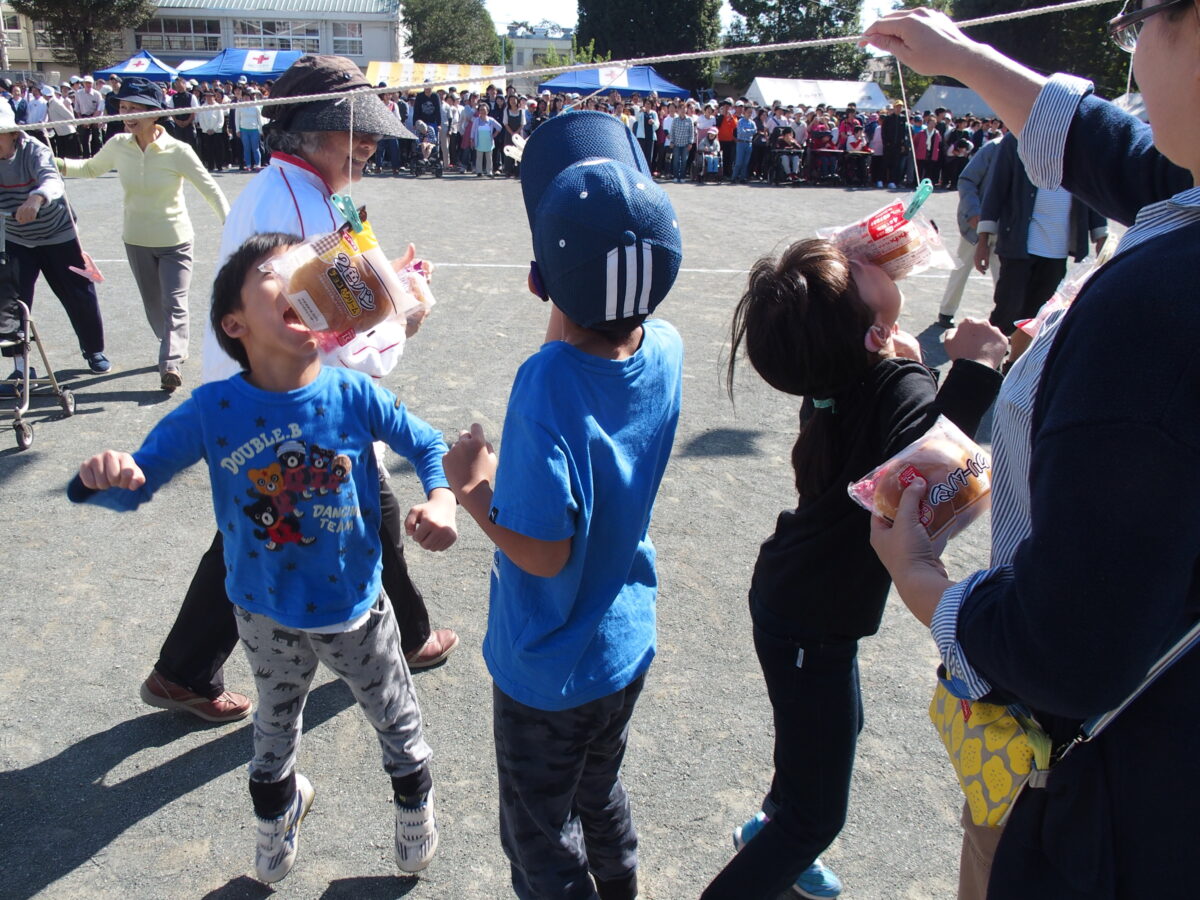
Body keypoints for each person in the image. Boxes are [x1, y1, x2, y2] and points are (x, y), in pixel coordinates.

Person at [863, 7, 1198, 900]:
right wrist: (962, 57)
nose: (1134, 42)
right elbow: (1122, 155)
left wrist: (922, 581)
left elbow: (1064, 642)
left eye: (1140, 19)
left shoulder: (1157, 310)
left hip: (1120, 802)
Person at [69, 230, 454, 885]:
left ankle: (413, 804)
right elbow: (142, 473)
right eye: (278, 273)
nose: (302, 280)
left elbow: (425, 443)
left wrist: (442, 499)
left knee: (395, 716)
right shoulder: (214, 409)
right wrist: (108, 476)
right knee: (274, 731)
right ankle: (277, 822)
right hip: (261, 613)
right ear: (235, 323)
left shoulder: (350, 395)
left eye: (308, 271)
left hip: (355, 610)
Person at [139, 55, 449, 727]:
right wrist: (408, 318)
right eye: (353, 132)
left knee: (281, 521)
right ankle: (184, 671)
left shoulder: (297, 189)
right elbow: (335, 339)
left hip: (262, 392)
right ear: (308, 133)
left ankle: (183, 671)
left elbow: (341, 305)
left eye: (368, 131)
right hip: (276, 398)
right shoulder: (301, 206)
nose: (367, 143)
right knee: (275, 527)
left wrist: (388, 287)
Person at [700, 233, 1006, 900]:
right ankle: (780, 839)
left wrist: (891, 335)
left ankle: (772, 827)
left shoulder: (836, 370)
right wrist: (978, 369)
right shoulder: (889, 382)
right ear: (872, 335)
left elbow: (842, 325)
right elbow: (934, 480)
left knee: (824, 735)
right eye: (861, 270)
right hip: (810, 621)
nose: (870, 259)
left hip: (796, 605)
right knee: (819, 814)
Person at [442, 111, 684, 900]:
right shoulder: (666, 347)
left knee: (540, 837)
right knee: (598, 789)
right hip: (622, 641)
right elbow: (594, 327)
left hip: (548, 662)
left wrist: (473, 488)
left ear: (542, 280)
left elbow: (543, 549)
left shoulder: (545, 384)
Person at [57, 77, 229, 392]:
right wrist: (50, 163)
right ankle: (172, 344)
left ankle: (170, 363)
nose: (128, 114)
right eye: (124, 107)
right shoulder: (117, 145)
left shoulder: (178, 150)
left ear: (155, 113)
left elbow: (210, 189)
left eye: (136, 108)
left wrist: (229, 224)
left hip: (175, 239)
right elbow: (91, 169)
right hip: (136, 239)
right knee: (153, 305)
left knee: (174, 302)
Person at [0, 100, 110, 393]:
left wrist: (36, 199)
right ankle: (21, 366)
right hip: (15, 238)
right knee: (10, 302)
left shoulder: (35, 150)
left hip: (58, 234)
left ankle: (93, 349)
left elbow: (52, 181)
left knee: (78, 293)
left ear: (13, 133)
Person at [937, 132, 1003, 328]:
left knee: (1003, 279)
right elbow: (967, 180)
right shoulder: (994, 148)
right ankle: (946, 311)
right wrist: (973, 213)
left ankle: (1002, 323)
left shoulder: (1031, 150)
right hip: (976, 224)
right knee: (961, 267)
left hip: (1005, 228)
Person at [471, 100, 501, 178]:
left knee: (489, 158)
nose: (482, 111)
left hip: (488, 142)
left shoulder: (491, 120)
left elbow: (499, 127)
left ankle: (489, 171)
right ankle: (479, 171)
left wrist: (494, 135)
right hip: (479, 142)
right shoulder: (476, 120)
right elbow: (473, 131)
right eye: (481, 110)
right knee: (479, 157)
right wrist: (472, 139)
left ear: (487, 111)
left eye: (484, 110)